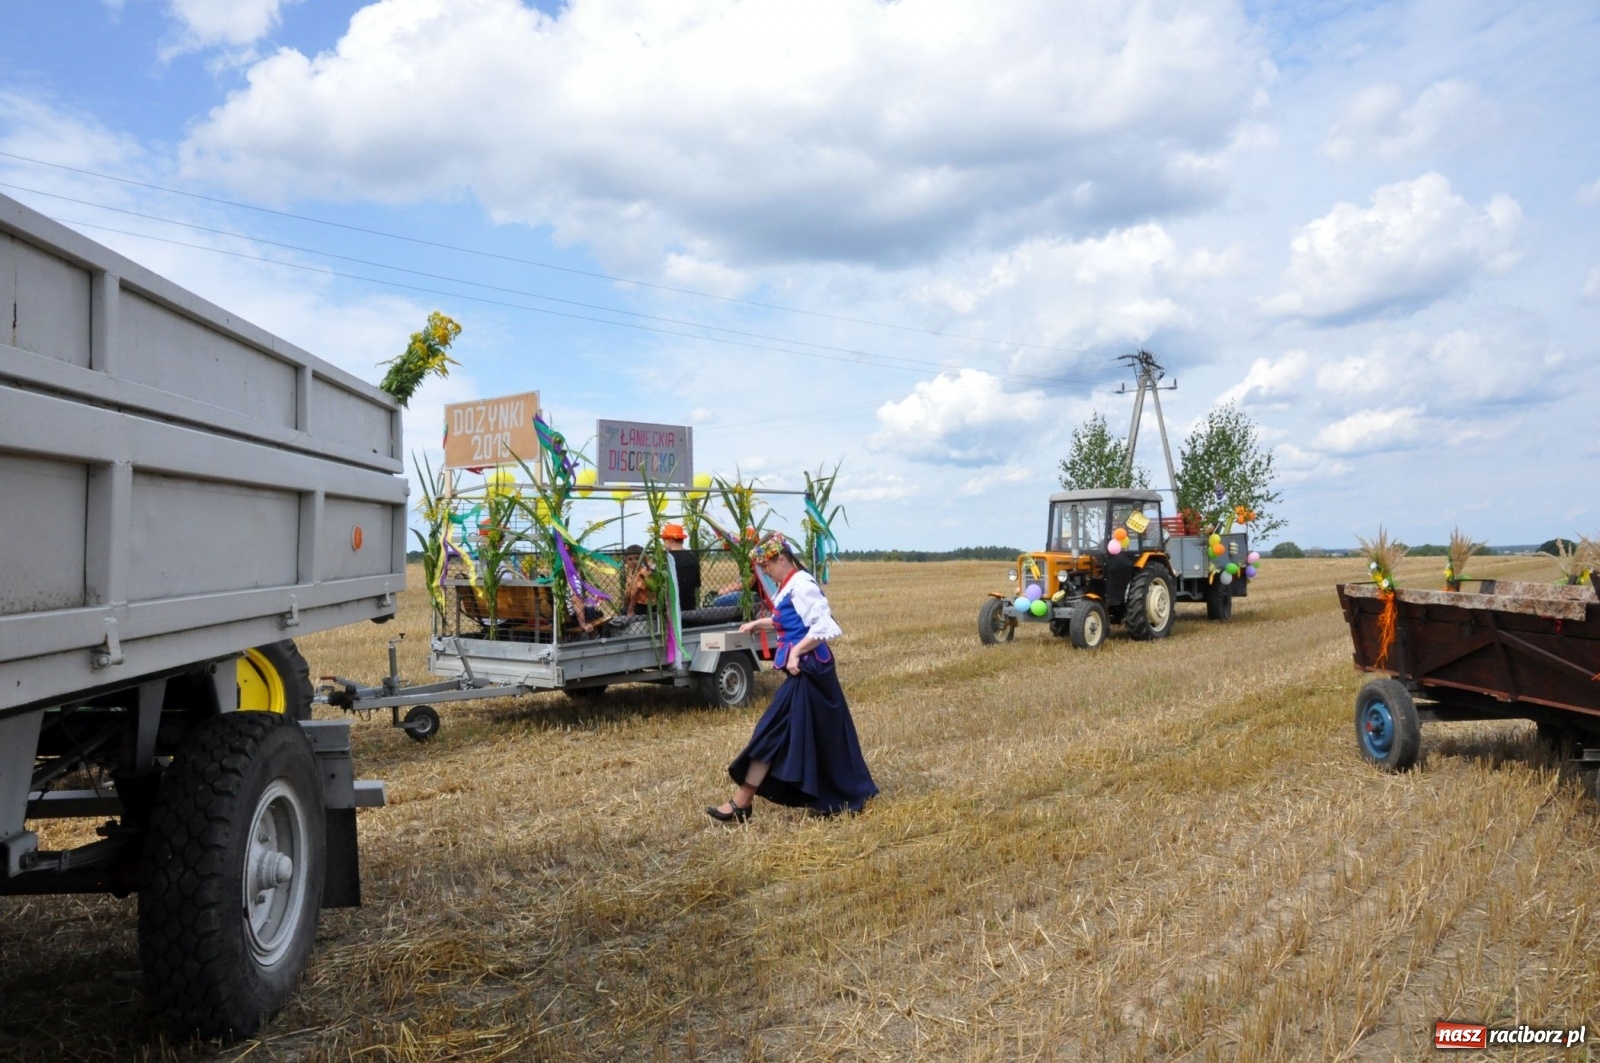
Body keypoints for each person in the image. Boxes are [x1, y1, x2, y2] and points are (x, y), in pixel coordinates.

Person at [706, 532, 877, 821]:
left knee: (774, 732)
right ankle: (744, 803)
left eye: (768, 566)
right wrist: (760, 623)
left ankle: (742, 803)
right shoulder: (789, 586)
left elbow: (827, 626)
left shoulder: (803, 585)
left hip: (811, 674)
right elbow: (789, 618)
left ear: (781, 559)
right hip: (804, 674)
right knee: (810, 736)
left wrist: (796, 651)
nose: (767, 572)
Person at [661, 522, 701, 612]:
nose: (663, 544)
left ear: (671, 540)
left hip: (670, 606)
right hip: (689, 605)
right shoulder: (692, 557)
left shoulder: (666, 558)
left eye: (664, 541)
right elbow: (697, 584)